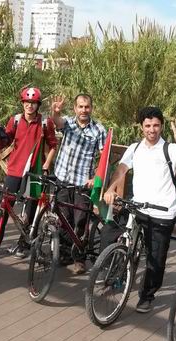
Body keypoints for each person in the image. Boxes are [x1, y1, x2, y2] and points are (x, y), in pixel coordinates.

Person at [103, 106, 176, 313]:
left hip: (162, 211)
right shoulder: (135, 148)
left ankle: (147, 295)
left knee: (156, 257)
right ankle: (112, 269)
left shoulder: (170, 149)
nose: (152, 129)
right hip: (138, 206)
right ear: (141, 127)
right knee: (111, 230)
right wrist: (110, 189)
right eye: (147, 125)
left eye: (156, 125)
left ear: (161, 126)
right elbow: (121, 170)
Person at [0, 87, 58, 258]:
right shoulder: (15, 120)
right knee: (5, 206)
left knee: (31, 208)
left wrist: (46, 165)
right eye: (27, 102)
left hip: (35, 171)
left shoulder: (45, 122)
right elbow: (3, 142)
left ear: (38, 105)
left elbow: (53, 145)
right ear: (23, 103)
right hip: (15, 169)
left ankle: (24, 244)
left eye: (33, 103)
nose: (30, 105)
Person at [50, 94, 107, 274]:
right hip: (63, 179)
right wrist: (55, 112)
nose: (84, 110)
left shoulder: (99, 129)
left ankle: (79, 259)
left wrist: (96, 178)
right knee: (63, 219)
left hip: (83, 183)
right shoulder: (68, 123)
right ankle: (65, 254)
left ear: (91, 108)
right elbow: (57, 121)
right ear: (75, 108)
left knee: (80, 221)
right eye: (80, 106)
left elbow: (104, 157)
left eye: (87, 107)